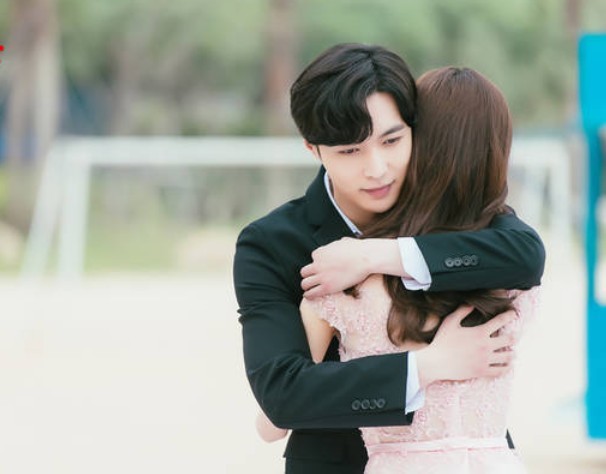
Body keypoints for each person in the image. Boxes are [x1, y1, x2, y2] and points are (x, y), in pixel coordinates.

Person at [233, 43, 545, 474]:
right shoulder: (271, 244)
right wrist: (427, 366)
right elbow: (282, 394)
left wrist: (374, 255)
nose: (377, 168)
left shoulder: (451, 213)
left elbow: (526, 255)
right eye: (350, 151)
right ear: (312, 148)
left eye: (392, 140)